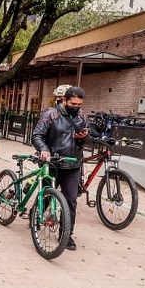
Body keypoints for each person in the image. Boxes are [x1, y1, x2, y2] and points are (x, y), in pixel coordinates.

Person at [31, 86, 91, 251]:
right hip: (52, 163)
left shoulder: (83, 117)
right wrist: (43, 149)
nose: (76, 107)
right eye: (73, 103)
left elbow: (88, 138)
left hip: (73, 164)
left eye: (79, 104)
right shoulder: (50, 114)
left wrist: (84, 138)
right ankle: (36, 216)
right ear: (64, 100)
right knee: (47, 196)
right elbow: (37, 135)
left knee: (70, 201)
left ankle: (66, 235)